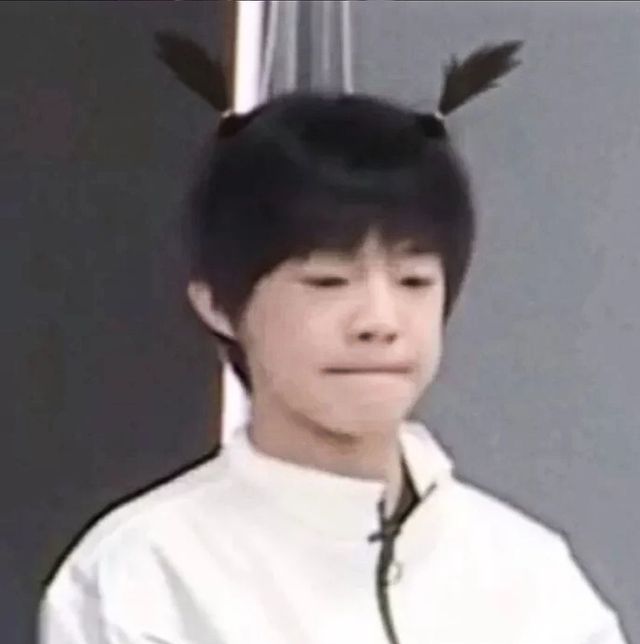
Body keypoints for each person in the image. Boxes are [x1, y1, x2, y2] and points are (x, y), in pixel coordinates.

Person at [38, 37, 628, 643]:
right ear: (217, 303)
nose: (380, 320)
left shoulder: (531, 579)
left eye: (414, 281)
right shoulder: (141, 579)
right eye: (328, 280)